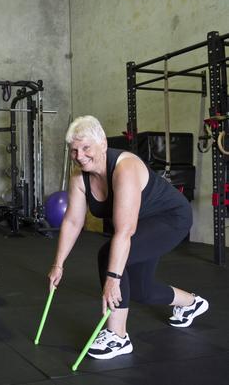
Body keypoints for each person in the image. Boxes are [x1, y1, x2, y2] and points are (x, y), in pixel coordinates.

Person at [47, 115, 209, 360]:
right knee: (141, 291)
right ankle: (191, 303)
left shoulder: (125, 167)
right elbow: (72, 221)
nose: (80, 156)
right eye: (74, 150)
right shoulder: (80, 179)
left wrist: (112, 279)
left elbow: (124, 232)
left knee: (108, 256)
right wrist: (58, 264)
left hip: (169, 218)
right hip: (140, 225)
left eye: (86, 148)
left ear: (102, 143)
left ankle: (118, 336)